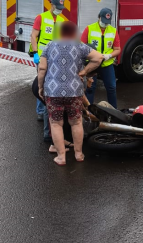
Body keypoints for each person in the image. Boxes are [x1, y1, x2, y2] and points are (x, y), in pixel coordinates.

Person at [38, 21, 103, 166]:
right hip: (74, 91)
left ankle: (61, 157)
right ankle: (79, 154)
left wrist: (41, 87)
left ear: (60, 32)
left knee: (55, 124)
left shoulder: (49, 46)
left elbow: (42, 68)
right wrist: (84, 71)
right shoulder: (79, 46)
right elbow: (99, 58)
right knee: (76, 122)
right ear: (74, 33)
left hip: (53, 91)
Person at [29, 0, 66, 141]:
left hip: (55, 57)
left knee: (50, 84)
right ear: (51, 5)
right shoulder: (41, 17)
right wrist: (35, 52)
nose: (59, 11)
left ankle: (45, 109)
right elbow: (34, 35)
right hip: (43, 56)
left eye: (61, 8)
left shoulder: (62, 20)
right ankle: (40, 111)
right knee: (41, 81)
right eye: (57, 8)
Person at [81, 8, 121, 108]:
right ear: (99, 17)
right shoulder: (89, 28)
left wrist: (109, 56)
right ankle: (89, 112)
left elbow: (117, 49)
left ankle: (113, 112)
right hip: (92, 63)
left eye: (107, 22)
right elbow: (81, 46)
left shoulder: (113, 31)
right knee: (90, 88)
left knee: (111, 87)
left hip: (106, 64)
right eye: (103, 21)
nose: (105, 24)